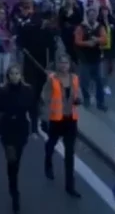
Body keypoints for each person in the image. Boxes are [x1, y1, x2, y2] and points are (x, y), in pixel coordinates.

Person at [0, 64, 41, 212]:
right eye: (12, 74)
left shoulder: (28, 91)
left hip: (21, 128)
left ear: (20, 76)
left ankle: (13, 180)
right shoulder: (2, 91)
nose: (14, 76)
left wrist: (34, 130)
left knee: (16, 161)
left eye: (17, 73)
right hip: (7, 129)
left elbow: (33, 111)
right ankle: (14, 192)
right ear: (8, 76)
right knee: (11, 159)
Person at [40, 53, 82, 198]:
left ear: (70, 65)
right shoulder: (52, 79)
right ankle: (48, 162)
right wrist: (44, 118)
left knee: (70, 153)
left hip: (71, 120)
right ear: (57, 65)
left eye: (66, 63)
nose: (64, 65)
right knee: (51, 144)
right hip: (56, 120)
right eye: (61, 63)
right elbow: (45, 98)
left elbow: (79, 94)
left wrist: (79, 100)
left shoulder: (75, 79)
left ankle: (70, 186)